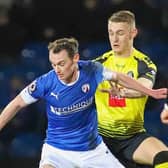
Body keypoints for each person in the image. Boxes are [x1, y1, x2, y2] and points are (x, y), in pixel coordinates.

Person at [0, 37, 167, 168]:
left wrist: (149, 91)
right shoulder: (45, 83)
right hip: (58, 150)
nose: (57, 70)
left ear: (75, 59)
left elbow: (119, 77)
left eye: (61, 64)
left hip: (93, 150)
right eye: (53, 64)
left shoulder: (92, 70)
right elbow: (16, 104)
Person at [94, 10, 168, 168]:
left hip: (132, 137)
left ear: (133, 33)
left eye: (120, 33)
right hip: (100, 138)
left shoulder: (144, 64)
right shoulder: (98, 65)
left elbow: (144, 88)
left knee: (165, 157)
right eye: (111, 33)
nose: (114, 39)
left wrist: (126, 92)